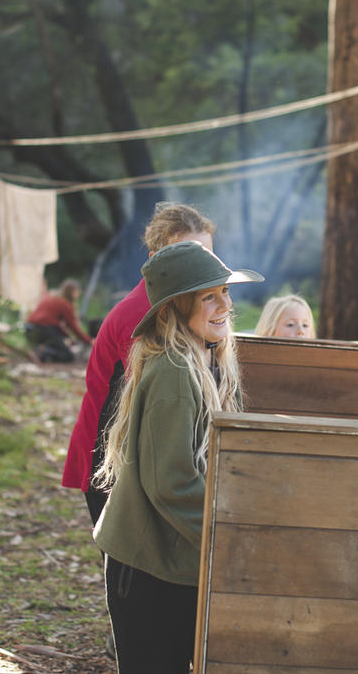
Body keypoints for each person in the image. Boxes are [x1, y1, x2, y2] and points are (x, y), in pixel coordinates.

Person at [93, 240, 262, 673]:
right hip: (145, 570)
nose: (225, 305)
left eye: (225, 292)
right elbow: (172, 483)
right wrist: (228, 539)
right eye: (209, 297)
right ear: (173, 310)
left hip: (176, 562)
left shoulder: (206, 359)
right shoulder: (174, 371)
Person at [62, 203, 216, 526]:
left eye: (206, 256)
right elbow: (160, 403)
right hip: (108, 455)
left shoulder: (190, 307)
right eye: (185, 255)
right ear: (154, 261)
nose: (198, 267)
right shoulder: (140, 315)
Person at [25, 278, 92, 362]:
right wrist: (90, 341)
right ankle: (42, 352)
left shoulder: (51, 295)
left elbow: (56, 325)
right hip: (44, 330)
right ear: (72, 292)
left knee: (61, 344)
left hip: (30, 328)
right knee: (67, 356)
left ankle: (40, 350)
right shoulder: (64, 303)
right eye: (77, 292)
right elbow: (74, 327)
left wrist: (68, 336)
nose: (78, 295)